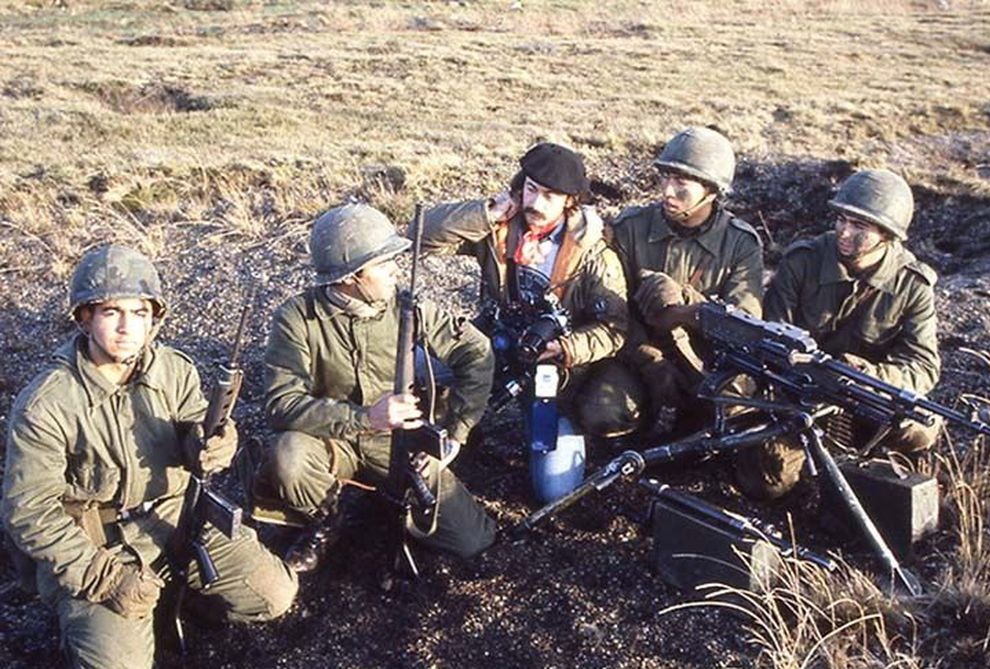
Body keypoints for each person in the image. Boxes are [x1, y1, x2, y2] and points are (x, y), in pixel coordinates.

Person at [2, 245, 297, 669]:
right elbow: (29, 514)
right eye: (111, 312)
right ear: (84, 317)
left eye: (139, 313)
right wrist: (107, 578)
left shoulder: (174, 370)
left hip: (177, 519)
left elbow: (196, 426)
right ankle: (88, 630)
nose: (127, 328)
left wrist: (212, 444)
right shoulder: (47, 403)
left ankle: (174, 597)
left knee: (276, 595)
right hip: (98, 548)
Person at [252, 204, 497, 572]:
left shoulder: (408, 307)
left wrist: (456, 433)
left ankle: (379, 500)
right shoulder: (296, 318)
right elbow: (280, 404)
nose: (395, 271)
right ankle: (326, 521)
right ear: (352, 276)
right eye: (384, 264)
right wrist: (365, 417)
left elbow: (476, 352)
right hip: (331, 438)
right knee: (289, 456)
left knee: (472, 539)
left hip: (400, 444)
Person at [737, 168, 942, 499]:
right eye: (841, 219)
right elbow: (771, 336)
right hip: (802, 395)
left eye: (859, 226)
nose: (844, 232)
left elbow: (923, 365)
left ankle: (871, 454)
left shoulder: (912, 286)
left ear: (888, 235)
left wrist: (871, 375)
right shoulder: (803, 261)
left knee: (923, 426)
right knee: (766, 483)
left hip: (867, 397)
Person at [414, 142, 638, 440]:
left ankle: (563, 420)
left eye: (550, 196)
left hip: (559, 368)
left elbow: (613, 330)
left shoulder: (592, 253)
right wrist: (487, 214)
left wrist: (566, 348)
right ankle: (461, 424)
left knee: (553, 484)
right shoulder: (500, 230)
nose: (537, 204)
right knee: (418, 367)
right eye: (531, 189)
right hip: (498, 340)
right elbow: (418, 235)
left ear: (569, 201)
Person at [610, 126, 764, 434]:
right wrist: (647, 358)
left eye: (681, 182)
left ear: (711, 190)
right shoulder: (632, 227)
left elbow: (744, 324)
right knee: (605, 413)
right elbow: (614, 308)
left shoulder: (740, 244)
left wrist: (689, 308)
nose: (667, 191)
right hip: (638, 351)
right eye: (665, 177)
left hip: (707, 362)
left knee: (734, 416)